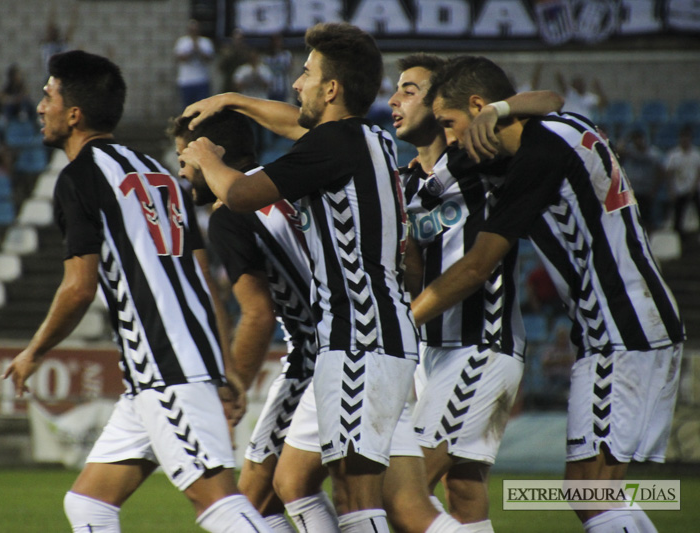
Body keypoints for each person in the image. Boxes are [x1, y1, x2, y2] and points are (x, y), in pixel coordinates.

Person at [180, 22, 464, 533]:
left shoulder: (335, 143)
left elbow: (242, 196)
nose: (296, 84)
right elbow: (294, 122)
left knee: (357, 500)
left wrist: (206, 157)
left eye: (306, 73)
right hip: (379, 337)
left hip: (358, 339)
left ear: (331, 89)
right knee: (299, 482)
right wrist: (233, 100)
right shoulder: (369, 137)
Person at [1, 50, 271, 533]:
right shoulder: (160, 174)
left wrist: (33, 352)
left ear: (74, 113)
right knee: (89, 505)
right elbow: (201, 278)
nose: (40, 107)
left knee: (219, 505)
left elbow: (79, 288)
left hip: (165, 368)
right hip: (168, 370)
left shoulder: (79, 178)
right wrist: (224, 365)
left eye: (48, 96)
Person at [419, 55, 684, 533]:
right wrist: (497, 112)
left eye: (450, 124)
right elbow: (549, 100)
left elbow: (478, 265)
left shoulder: (540, 154)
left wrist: (404, 317)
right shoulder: (560, 127)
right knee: (595, 492)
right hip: (629, 325)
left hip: (620, 328)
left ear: (478, 107)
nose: (451, 138)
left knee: (591, 493)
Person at [390, 52, 563, 532]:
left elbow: (551, 102)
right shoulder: (403, 182)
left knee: (402, 492)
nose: (394, 100)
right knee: (463, 492)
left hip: (480, 348)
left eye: (409, 90)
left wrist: (497, 110)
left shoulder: (483, 158)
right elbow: (414, 272)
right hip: (431, 351)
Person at [172, 109, 316, 532]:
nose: (182, 173)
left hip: (315, 356)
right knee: (302, 488)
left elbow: (256, 315)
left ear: (210, 154)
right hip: (360, 343)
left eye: (184, 159)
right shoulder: (285, 185)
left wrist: (230, 389)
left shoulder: (229, 214)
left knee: (254, 499)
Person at [617, 128, 665, 233]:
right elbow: (618, 150)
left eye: (640, 139)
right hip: (632, 191)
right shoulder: (630, 152)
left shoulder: (653, 154)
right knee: (631, 219)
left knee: (647, 219)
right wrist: (626, 138)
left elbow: (661, 171)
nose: (639, 142)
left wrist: (655, 188)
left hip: (647, 192)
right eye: (636, 139)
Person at [665, 124, 700, 242]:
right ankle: (679, 238)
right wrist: (671, 190)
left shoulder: (696, 154)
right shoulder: (674, 155)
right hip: (679, 189)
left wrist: (694, 187)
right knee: (678, 215)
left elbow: (698, 172)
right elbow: (669, 174)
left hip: (694, 189)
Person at [174, 19, 215, 109]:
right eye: (191, 29)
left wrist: (199, 50)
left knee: (203, 110)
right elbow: (180, 58)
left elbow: (209, 58)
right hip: (186, 81)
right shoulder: (182, 42)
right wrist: (192, 50)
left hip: (202, 80)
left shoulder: (205, 42)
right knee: (187, 109)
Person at [263, 34, 293, 103]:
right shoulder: (268, 56)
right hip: (271, 87)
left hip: (282, 86)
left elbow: (290, 68)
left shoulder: (286, 55)